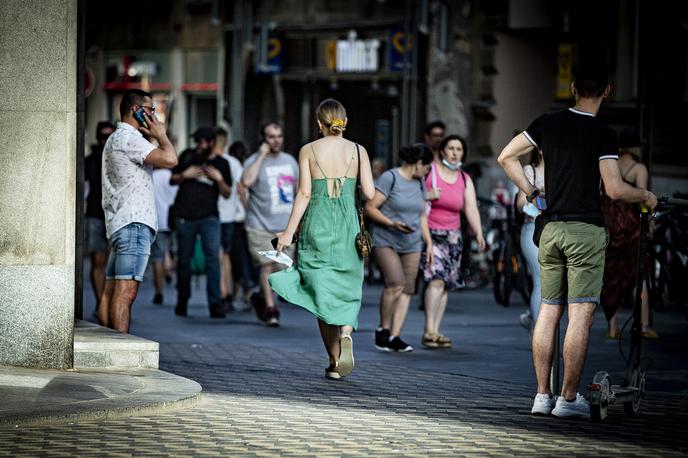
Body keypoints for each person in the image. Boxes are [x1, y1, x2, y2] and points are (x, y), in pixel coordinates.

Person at [498, 62, 657, 419]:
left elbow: (505, 156)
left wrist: (531, 191)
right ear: (606, 91)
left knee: (549, 311)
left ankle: (542, 396)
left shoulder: (546, 123)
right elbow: (615, 189)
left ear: (571, 88)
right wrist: (645, 195)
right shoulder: (602, 133)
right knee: (580, 315)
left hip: (550, 228)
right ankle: (568, 399)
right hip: (585, 230)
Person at [269, 98, 375, 379]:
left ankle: (334, 360)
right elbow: (371, 194)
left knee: (320, 292)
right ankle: (347, 332)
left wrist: (289, 232)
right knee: (348, 287)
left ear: (319, 124)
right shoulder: (358, 150)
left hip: (317, 223)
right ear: (345, 122)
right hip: (348, 227)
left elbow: (303, 194)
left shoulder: (308, 150)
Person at [100, 89, 178, 333]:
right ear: (136, 110)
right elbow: (170, 160)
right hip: (134, 224)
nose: (154, 116)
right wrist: (162, 136)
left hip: (120, 223)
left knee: (110, 291)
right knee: (126, 293)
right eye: (151, 110)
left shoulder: (115, 138)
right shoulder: (130, 139)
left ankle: (109, 344)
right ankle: (120, 350)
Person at [365, 144, 434, 352]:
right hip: (387, 239)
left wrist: (429, 242)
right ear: (418, 163)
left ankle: (395, 336)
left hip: (412, 242)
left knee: (407, 289)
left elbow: (421, 214)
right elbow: (370, 207)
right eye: (427, 167)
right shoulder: (390, 178)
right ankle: (382, 329)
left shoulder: (420, 182)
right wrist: (391, 223)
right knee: (395, 283)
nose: (428, 171)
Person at [422, 135, 486, 348]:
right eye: (451, 148)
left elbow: (471, 208)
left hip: (454, 236)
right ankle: (429, 330)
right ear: (442, 151)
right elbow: (413, 195)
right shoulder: (430, 171)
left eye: (459, 149)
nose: (455, 152)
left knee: (447, 283)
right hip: (432, 234)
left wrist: (478, 233)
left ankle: (436, 330)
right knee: (436, 280)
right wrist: (428, 194)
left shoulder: (464, 178)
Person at [170, 126, 232, 318]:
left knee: (213, 259)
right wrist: (184, 175)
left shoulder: (221, 163)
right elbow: (172, 180)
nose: (198, 145)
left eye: (202, 141)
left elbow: (227, 193)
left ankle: (215, 303)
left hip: (209, 217)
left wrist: (219, 179)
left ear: (212, 142)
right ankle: (182, 300)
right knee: (184, 260)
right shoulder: (188, 156)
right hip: (185, 215)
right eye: (196, 141)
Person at [601, 128, 657, 339]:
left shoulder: (610, 165)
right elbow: (643, 199)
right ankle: (643, 325)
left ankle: (612, 327)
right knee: (638, 276)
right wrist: (649, 224)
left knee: (612, 277)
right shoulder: (638, 168)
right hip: (632, 228)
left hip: (611, 227)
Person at [241, 122, 299, 326]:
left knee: (281, 267)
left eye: (279, 136)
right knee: (266, 266)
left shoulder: (290, 161)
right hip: (259, 224)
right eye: (271, 137)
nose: (276, 140)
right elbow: (246, 182)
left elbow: (299, 190)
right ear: (263, 139)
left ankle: (258, 294)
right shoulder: (254, 161)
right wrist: (261, 156)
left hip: (284, 226)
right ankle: (270, 307)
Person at [84, 121, 114, 316]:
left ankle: (109, 303)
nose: (105, 141)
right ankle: (101, 303)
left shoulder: (119, 158)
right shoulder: (90, 161)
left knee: (114, 265)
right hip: (95, 215)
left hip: (115, 216)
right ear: (97, 137)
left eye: (109, 137)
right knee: (98, 262)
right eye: (103, 136)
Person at [515, 148, 545, 330]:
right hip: (532, 227)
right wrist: (535, 193)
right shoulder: (530, 170)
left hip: (556, 229)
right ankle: (540, 331)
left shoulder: (563, 171)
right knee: (541, 279)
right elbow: (520, 205)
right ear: (541, 150)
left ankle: (532, 316)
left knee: (556, 284)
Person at [215, 128, 243, 311]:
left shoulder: (215, 163)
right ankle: (227, 295)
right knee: (227, 256)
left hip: (218, 214)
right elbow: (242, 190)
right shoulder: (234, 163)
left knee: (220, 256)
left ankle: (223, 293)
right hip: (231, 216)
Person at [150, 166, 178, 305]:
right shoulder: (172, 176)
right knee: (171, 249)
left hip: (157, 220)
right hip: (173, 218)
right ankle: (169, 269)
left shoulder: (151, 176)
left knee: (157, 256)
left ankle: (159, 291)